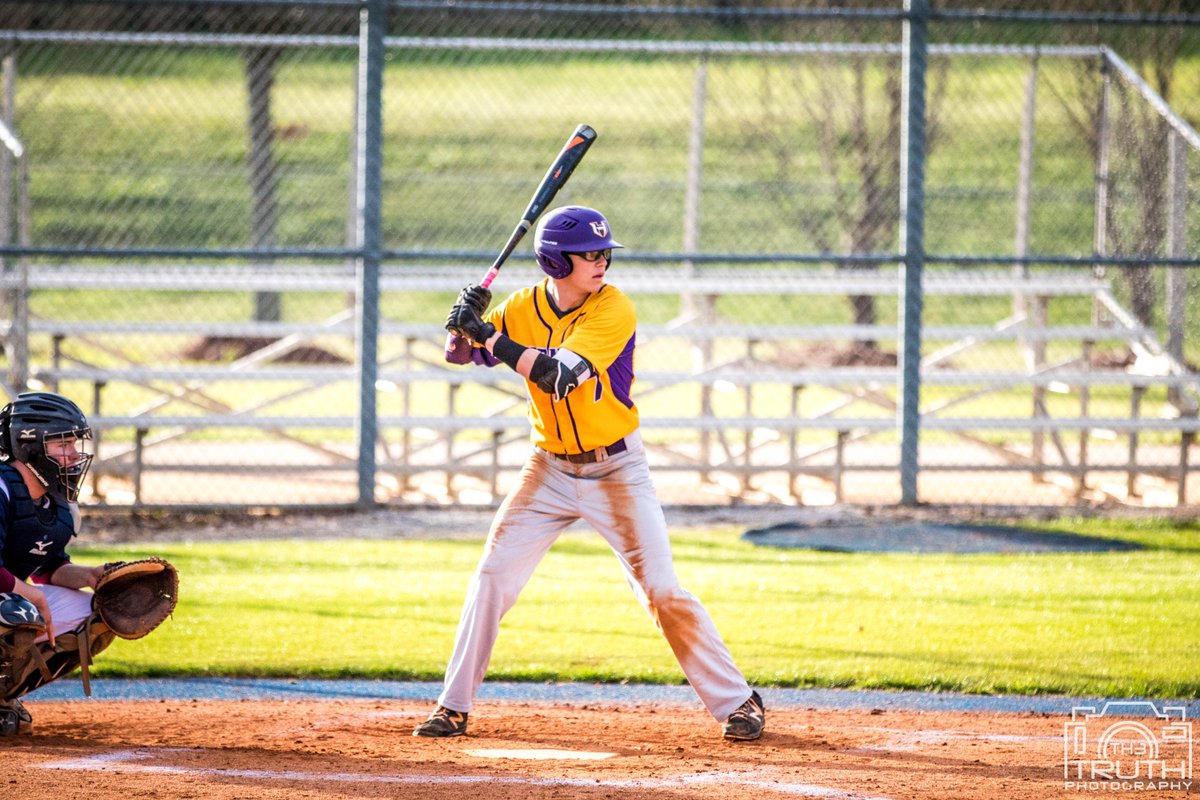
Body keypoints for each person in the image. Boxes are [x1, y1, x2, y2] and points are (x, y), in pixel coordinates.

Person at [417, 205, 765, 741]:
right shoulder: (521, 307)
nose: (602, 262)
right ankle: (453, 705)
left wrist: (488, 336)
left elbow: (560, 376)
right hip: (548, 469)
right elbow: (459, 355)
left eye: (605, 253)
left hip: (617, 469)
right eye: (591, 254)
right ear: (556, 261)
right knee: (491, 578)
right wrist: (462, 324)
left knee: (662, 590)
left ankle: (739, 701)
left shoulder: (614, 308)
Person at [0, 391, 115, 735]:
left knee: (101, 610)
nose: (73, 455)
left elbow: (47, 568)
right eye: (61, 444)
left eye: (73, 443)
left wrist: (91, 576)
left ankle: (4, 696)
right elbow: (30, 590)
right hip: (8, 600)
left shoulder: (58, 504)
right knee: (18, 612)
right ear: (29, 446)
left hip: (8, 595)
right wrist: (30, 595)